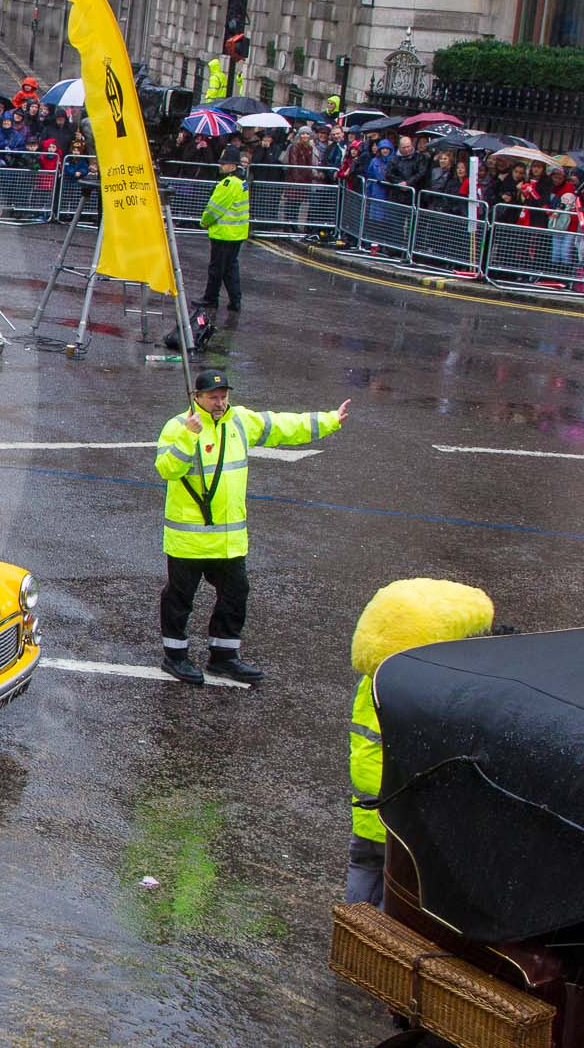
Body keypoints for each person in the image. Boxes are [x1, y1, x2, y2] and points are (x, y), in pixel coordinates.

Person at [153, 370, 351, 684]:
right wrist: (189, 435)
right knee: (179, 598)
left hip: (230, 540)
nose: (220, 403)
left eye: (223, 396)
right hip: (189, 539)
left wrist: (329, 420)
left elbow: (283, 426)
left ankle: (224, 656)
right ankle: (175, 656)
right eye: (213, 397)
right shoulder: (178, 426)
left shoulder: (240, 421)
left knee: (236, 594)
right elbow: (167, 469)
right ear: (197, 397)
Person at [343, 579, 494, 907]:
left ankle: (350, 930)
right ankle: (377, 946)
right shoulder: (424, 696)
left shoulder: (376, 679)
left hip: (369, 802)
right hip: (400, 808)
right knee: (398, 889)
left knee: (364, 868)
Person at [197, 145, 249, 313]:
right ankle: (235, 300)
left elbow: (215, 208)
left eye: (224, 163)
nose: (221, 166)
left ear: (232, 165)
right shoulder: (241, 181)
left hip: (224, 233)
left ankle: (210, 298)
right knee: (230, 268)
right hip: (237, 233)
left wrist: (204, 222)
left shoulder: (228, 183)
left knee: (216, 269)